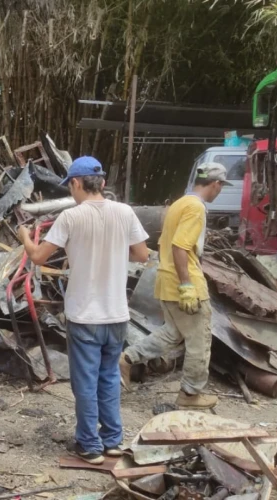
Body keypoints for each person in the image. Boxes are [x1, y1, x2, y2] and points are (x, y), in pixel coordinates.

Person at [18, 156, 149, 465]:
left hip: (84, 316)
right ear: (101, 183)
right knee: (109, 377)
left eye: (71, 186)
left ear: (76, 183)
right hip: (117, 315)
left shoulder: (71, 217)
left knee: (85, 382)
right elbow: (142, 254)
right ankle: (113, 441)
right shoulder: (125, 212)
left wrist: (24, 235)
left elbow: (37, 256)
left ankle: (90, 445)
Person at [120, 162, 230, 409]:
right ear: (216, 184)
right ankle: (190, 395)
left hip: (165, 279)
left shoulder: (179, 203)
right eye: (220, 186)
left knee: (173, 333)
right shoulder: (195, 207)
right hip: (183, 281)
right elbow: (181, 247)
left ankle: (127, 358)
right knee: (199, 341)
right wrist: (187, 286)